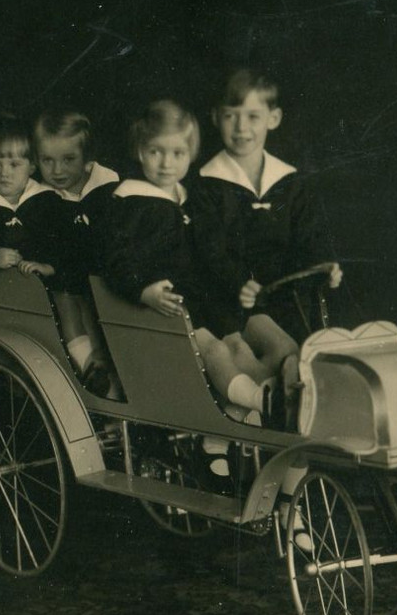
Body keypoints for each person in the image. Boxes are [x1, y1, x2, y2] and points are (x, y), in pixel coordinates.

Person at [106, 99, 277, 455]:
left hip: (202, 296)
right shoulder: (129, 201)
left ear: (190, 154)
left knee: (238, 345)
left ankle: (253, 409)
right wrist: (143, 289)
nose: (167, 164)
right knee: (214, 349)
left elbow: (213, 252)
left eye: (178, 153)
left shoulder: (189, 199)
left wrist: (239, 280)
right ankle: (252, 405)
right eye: (156, 152)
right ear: (140, 151)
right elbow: (114, 258)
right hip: (165, 304)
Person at [194, 67, 343, 428]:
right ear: (216, 118)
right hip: (231, 300)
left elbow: (310, 236)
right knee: (253, 352)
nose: (241, 128)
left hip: (284, 298)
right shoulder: (207, 184)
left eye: (253, 117)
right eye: (231, 116)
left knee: (307, 353)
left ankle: (291, 419)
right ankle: (251, 410)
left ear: (273, 119)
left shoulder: (290, 183)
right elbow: (209, 247)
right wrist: (238, 282)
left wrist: (326, 264)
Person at [0, 113, 112, 395]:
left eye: (14, 164)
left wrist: (50, 265)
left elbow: (62, 240)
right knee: (64, 303)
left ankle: (92, 365)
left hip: (55, 278)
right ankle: (88, 363)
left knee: (78, 301)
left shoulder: (45, 199)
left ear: (30, 167)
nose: (4, 173)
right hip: (17, 293)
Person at [33, 109, 120, 396]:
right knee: (67, 301)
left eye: (68, 159)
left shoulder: (110, 187)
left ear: (87, 161)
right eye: (47, 160)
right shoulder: (40, 197)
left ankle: (106, 367)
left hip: (105, 277)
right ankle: (91, 369)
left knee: (100, 309)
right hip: (65, 274)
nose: (57, 171)